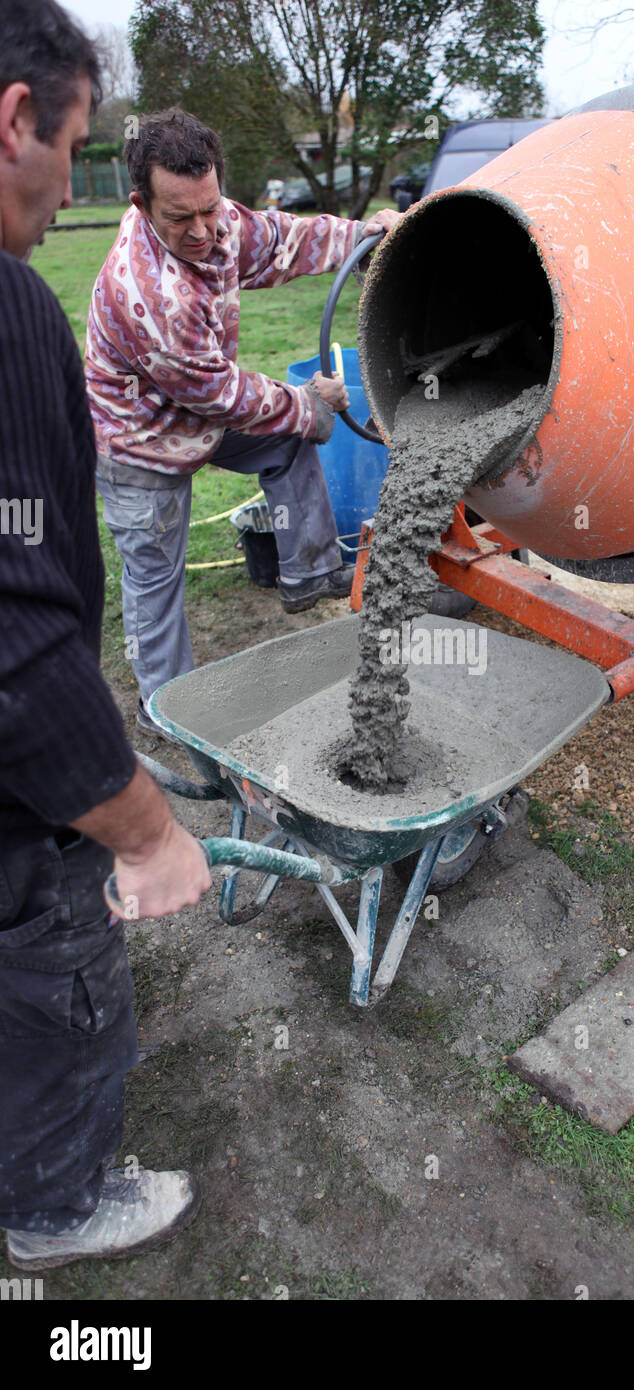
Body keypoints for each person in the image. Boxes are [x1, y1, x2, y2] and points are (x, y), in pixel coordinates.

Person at [0, 0, 212, 1271]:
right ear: (14, 118)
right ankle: (52, 1204)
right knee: (65, 976)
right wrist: (145, 833)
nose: (65, 183)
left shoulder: (213, 232)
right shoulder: (16, 309)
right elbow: (15, 649)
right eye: (71, 148)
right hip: (20, 803)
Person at [85, 108, 400, 732]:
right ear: (140, 204)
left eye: (210, 208)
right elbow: (218, 395)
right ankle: (164, 708)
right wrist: (306, 405)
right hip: (138, 440)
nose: (205, 232)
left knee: (285, 441)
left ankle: (308, 569)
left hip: (197, 404)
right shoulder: (147, 293)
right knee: (154, 577)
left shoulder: (214, 219)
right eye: (181, 218)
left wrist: (365, 235)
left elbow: (283, 240)